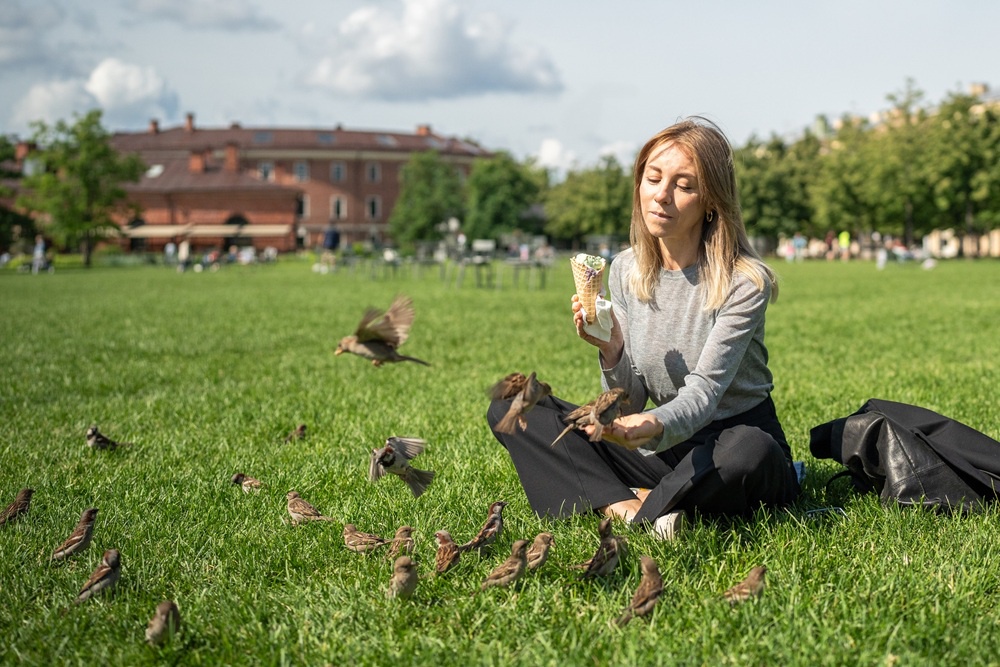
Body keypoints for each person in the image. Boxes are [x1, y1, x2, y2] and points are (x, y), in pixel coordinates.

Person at [487, 117, 800, 538]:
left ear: (711, 201)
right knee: (515, 407)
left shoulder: (744, 282)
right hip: (663, 449)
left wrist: (653, 425)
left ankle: (624, 497)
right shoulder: (626, 268)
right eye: (653, 179)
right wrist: (612, 350)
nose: (661, 195)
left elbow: (705, 392)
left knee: (750, 449)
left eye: (683, 186)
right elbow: (630, 403)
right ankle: (631, 509)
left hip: (729, 445)